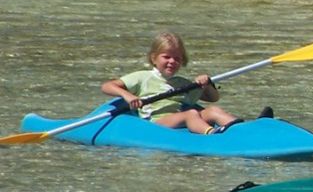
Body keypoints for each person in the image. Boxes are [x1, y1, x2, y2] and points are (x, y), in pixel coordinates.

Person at [101, 31, 244, 135]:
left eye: (177, 58)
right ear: (154, 58)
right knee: (191, 114)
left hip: (181, 118)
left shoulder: (182, 83)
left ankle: (243, 130)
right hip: (157, 122)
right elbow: (107, 86)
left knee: (213, 110)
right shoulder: (141, 77)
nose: (172, 62)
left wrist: (206, 83)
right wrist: (128, 96)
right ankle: (212, 135)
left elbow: (212, 98)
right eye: (166, 57)